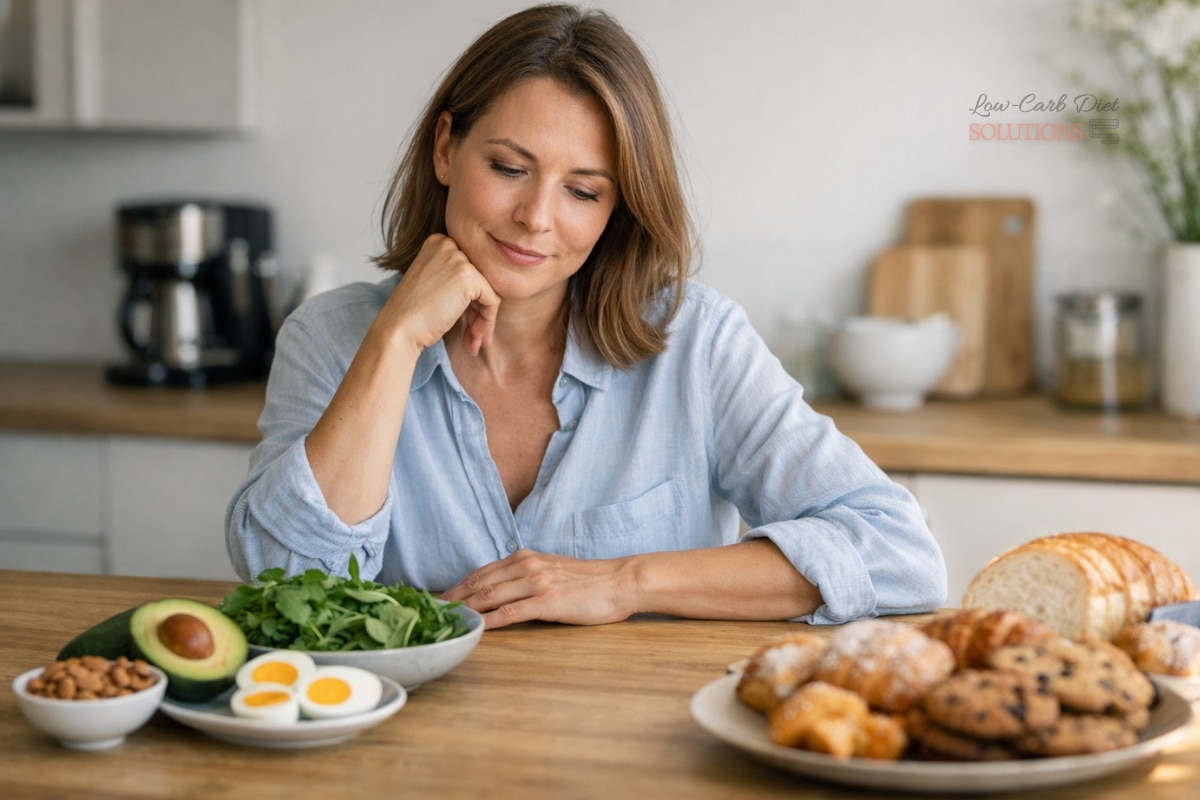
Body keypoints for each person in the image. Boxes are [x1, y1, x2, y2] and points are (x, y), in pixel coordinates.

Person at [225, 3, 947, 629]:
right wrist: (394, 342)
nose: (536, 218)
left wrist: (625, 582)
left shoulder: (696, 343)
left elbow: (897, 553)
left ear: (618, 208)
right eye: (509, 168)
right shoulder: (330, 338)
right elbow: (286, 584)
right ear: (446, 147)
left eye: (583, 191)